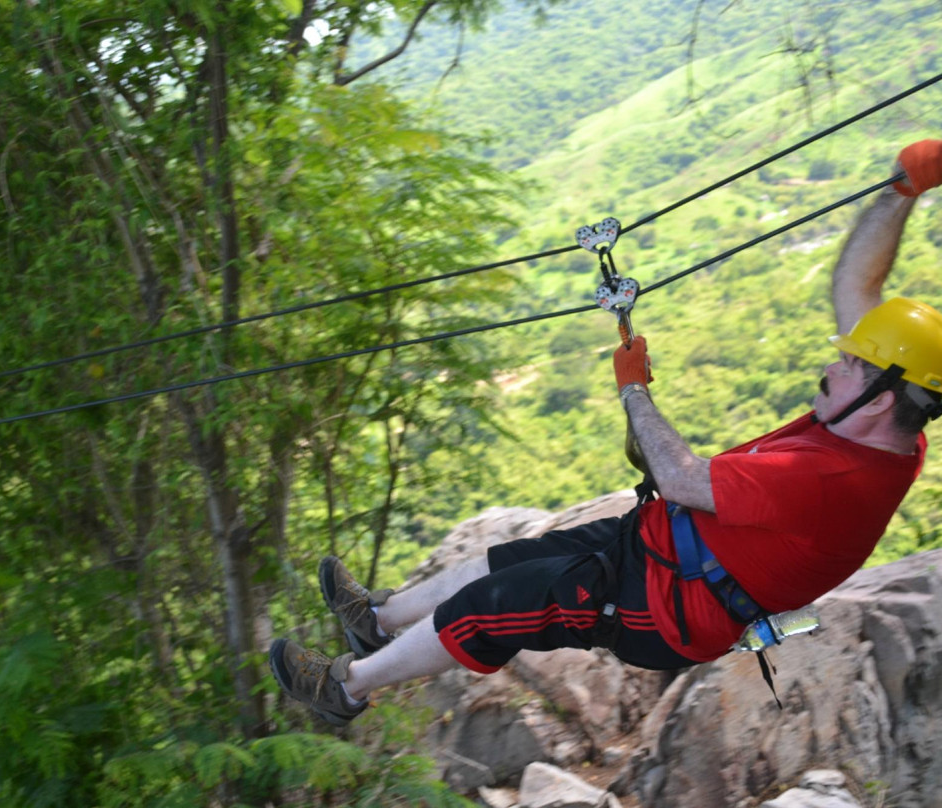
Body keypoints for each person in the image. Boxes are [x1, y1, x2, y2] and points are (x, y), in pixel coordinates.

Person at [269, 139, 942, 726]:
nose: (832, 364)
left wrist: (633, 384)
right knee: (503, 560)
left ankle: (343, 689)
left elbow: (680, 476)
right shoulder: (889, 427)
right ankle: (377, 622)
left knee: (491, 606)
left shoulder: (827, 481)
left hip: (670, 603)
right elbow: (858, 286)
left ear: (883, 397)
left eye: (850, 365)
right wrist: (900, 191)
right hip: (665, 546)